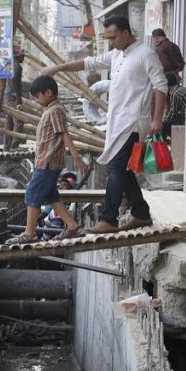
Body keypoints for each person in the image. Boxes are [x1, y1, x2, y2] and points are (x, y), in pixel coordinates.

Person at [43, 15, 167, 233]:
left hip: (134, 122)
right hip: (116, 122)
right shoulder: (116, 54)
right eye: (108, 38)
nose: (111, 41)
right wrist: (57, 68)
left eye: (114, 37)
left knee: (117, 168)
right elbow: (87, 62)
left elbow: (161, 86)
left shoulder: (146, 54)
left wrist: (157, 118)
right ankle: (141, 213)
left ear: (127, 33)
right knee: (121, 168)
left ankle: (109, 218)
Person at [5, 75, 88, 245]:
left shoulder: (55, 110)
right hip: (45, 161)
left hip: (48, 162)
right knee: (51, 196)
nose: (36, 100)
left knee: (32, 193)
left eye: (37, 96)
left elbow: (64, 134)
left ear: (48, 93)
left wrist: (77, 157)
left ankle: (30, 233)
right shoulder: (51, 109)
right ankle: (72, 226)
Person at [162, 72, 186, 140]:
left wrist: (162, 122)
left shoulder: (175, 94)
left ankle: (163, 143)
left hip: (185, 120)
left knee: (164, 125)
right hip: (185, 116)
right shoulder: (180, 89)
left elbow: (172, 114)